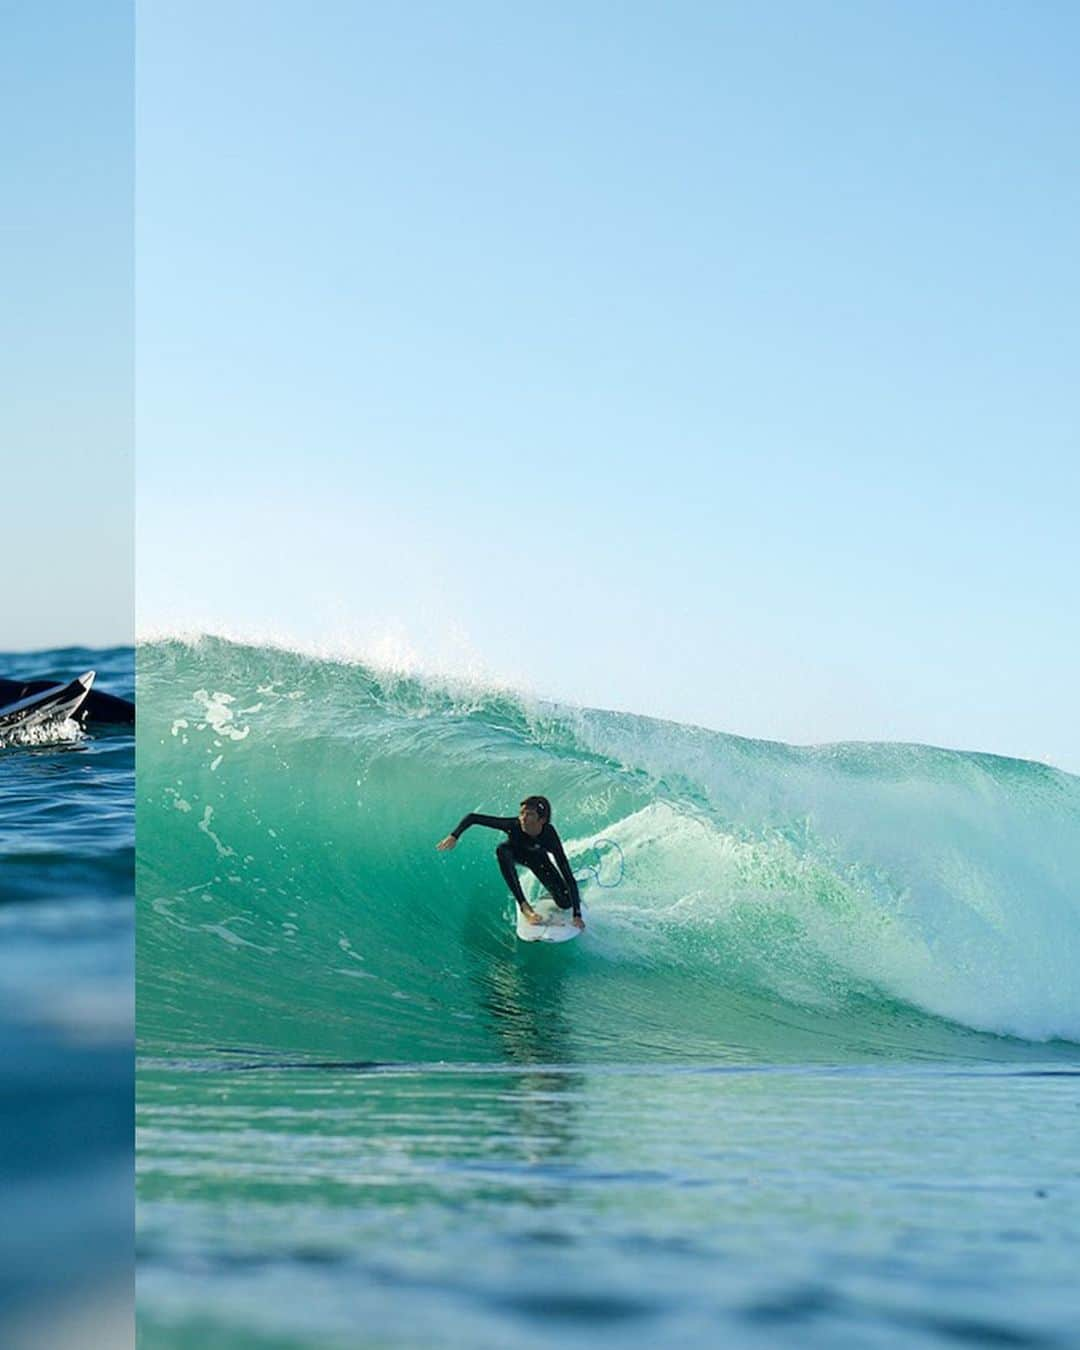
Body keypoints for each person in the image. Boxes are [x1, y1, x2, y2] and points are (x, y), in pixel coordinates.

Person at [436, 795, 584, 929]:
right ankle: (524, 907)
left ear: (542, 819)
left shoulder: (550, 836)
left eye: (530, 814)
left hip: (539, 861)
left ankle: (553, 894)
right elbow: (473, 818)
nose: (523, 818)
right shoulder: (513, 825)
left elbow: (568, 874)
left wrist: (577, 915)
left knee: (566, 903)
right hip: (514, 854)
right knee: (502, 850)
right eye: (522, 813)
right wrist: (454, 836)